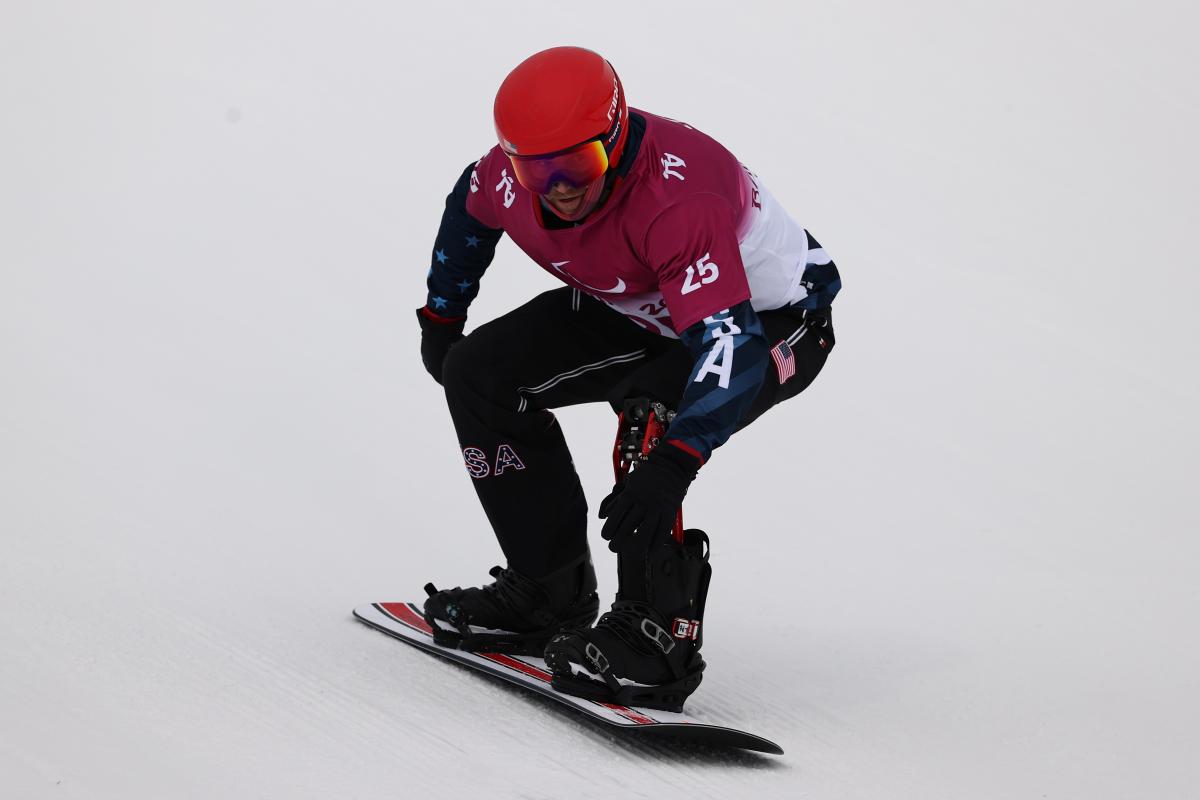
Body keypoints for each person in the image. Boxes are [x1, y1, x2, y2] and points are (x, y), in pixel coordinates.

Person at [416, 46, 840, 711]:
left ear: (614, 138)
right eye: (538, 169)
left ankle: (658, 637)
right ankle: (547, 591)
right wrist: (443, 314)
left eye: (578, 164)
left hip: (772, 319)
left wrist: (678, 459)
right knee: (477, 374)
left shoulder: (679, 203)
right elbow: (466, 214)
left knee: (657, 415)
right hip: (642, 301)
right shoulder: (505, 180)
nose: (559, 186)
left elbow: (728, 346)